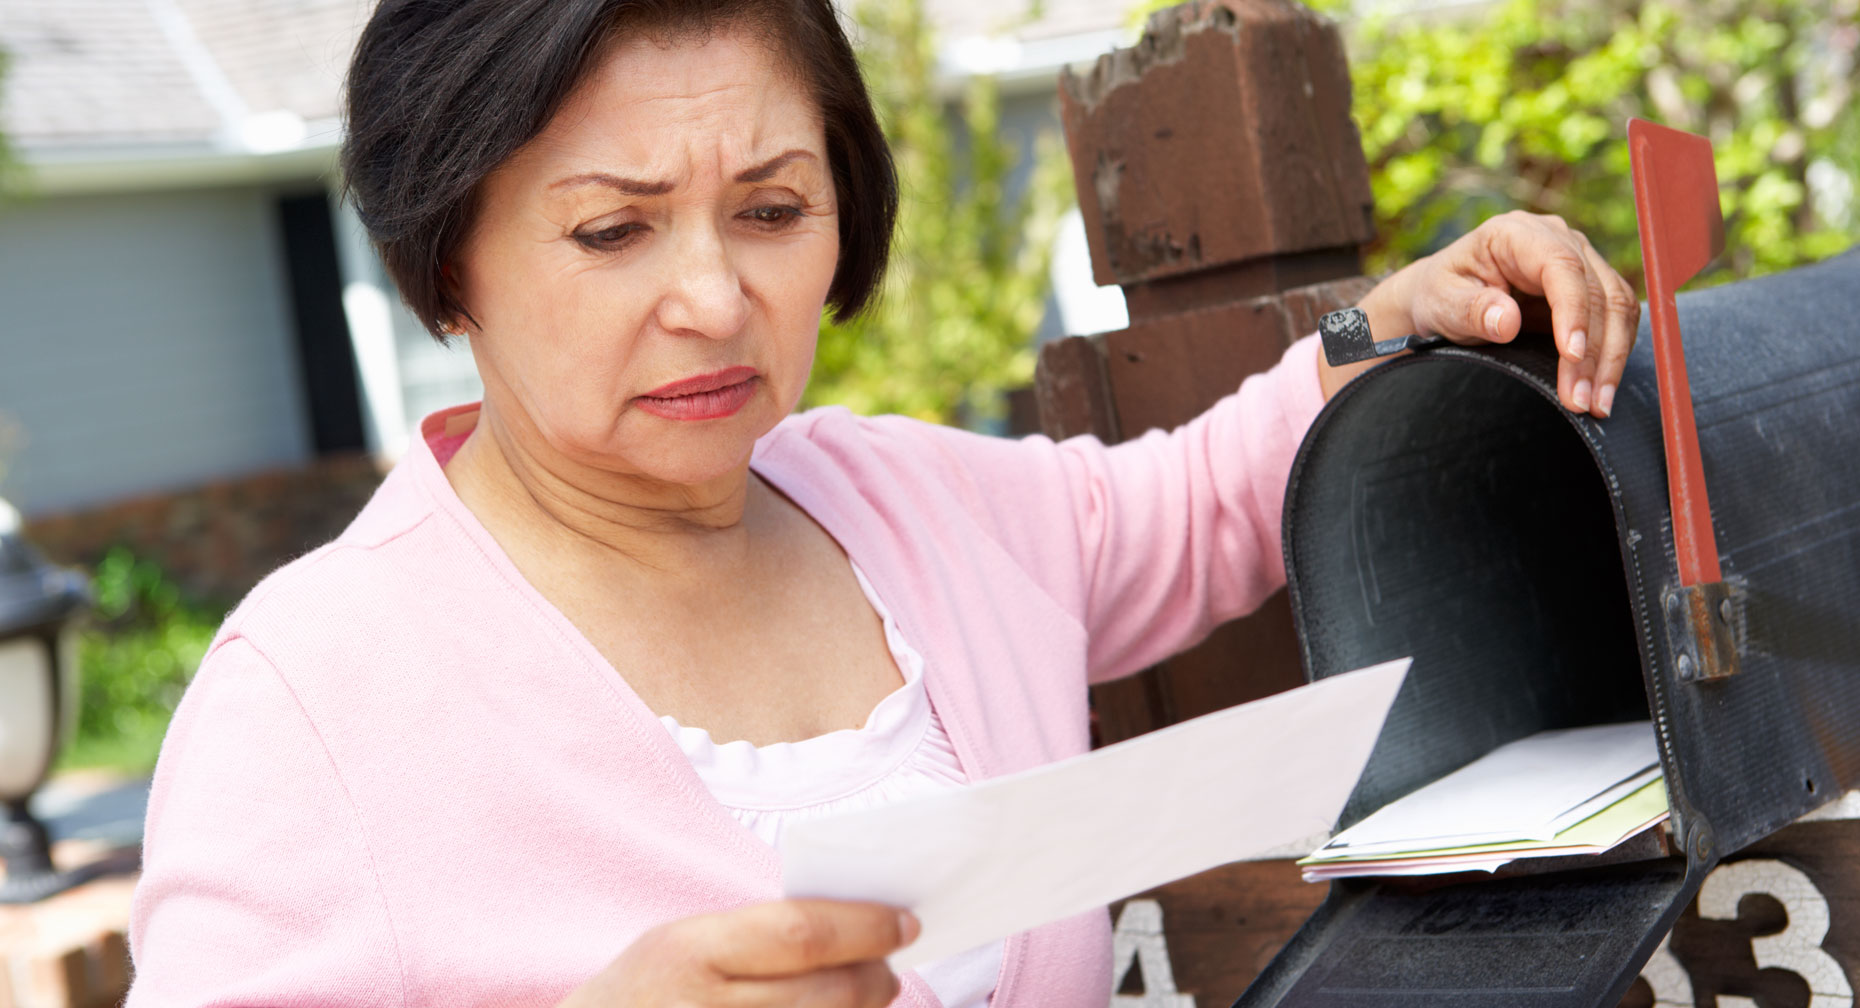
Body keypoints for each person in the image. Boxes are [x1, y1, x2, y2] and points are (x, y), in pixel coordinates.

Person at [123, 0, 1641, 1005]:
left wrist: (1399, 324)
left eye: (772, 211)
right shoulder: (309, 698)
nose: (715, 297)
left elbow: (1188, 508)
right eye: (612, 231)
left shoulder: (906, 500)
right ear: (446, 258)